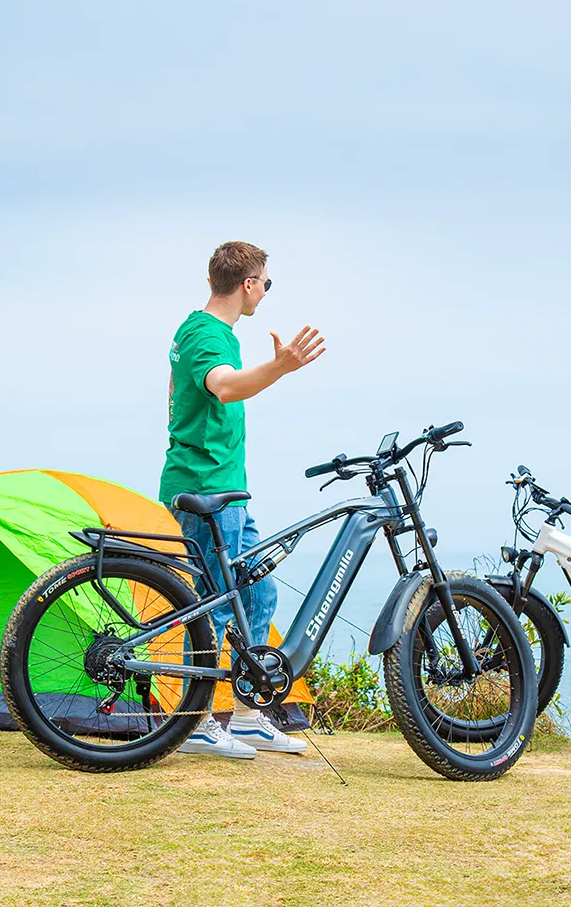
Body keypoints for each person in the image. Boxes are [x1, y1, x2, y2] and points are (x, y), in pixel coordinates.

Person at [160, 241, 325, 759]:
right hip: (205, 488)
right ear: (248, 285)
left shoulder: (200, 331)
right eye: (266, 283)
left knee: (257, 593)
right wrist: (281, 368)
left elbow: (177, 392)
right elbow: (224, 387)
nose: (266, 292)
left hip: (225, 485)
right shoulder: (208, 335)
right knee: (215, 604)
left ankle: (251, 714)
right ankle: (199, 720)